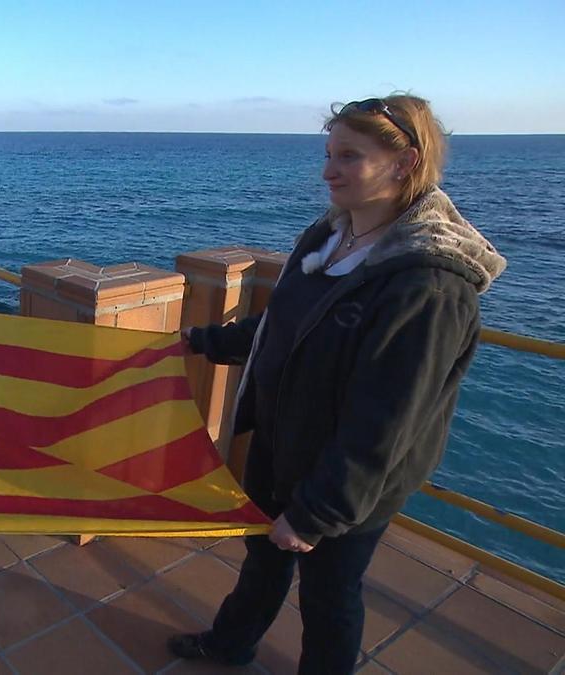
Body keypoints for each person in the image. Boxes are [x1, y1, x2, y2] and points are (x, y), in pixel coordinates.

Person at [168, 94, 505, 673]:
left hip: (349, 482)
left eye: (349, 156)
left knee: (328, 596)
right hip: (283, 445)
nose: (328, 171)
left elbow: (389, 418)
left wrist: (317, 513)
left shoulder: (428, 283)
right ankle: (230, 643)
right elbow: (283, 327)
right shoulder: (331, 234)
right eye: (328, 153)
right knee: (261, 560)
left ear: (404, 164)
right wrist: (204, 343)